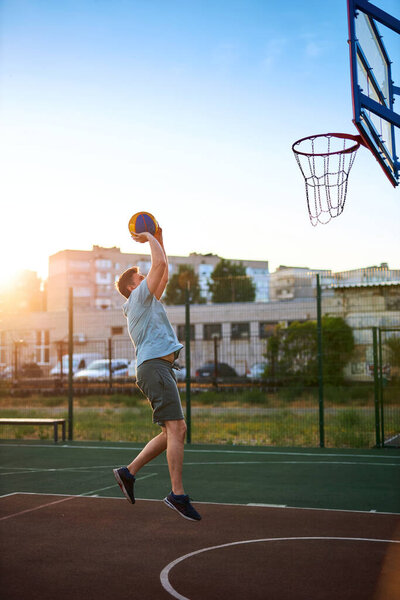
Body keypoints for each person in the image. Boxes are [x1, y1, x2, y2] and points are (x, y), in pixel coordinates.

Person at [113, 225, 201, 521]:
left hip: (158, 367)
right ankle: (177, 495)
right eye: (141, 277)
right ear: (132, 287)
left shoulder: (147, 300)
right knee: (177, 430)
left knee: (173, 431)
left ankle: (128, 472)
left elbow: (164, 271)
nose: (146, 278)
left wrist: (159, 236)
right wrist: (147, 237)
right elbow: (160, 264)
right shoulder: (137, 299)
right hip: (154, 367)